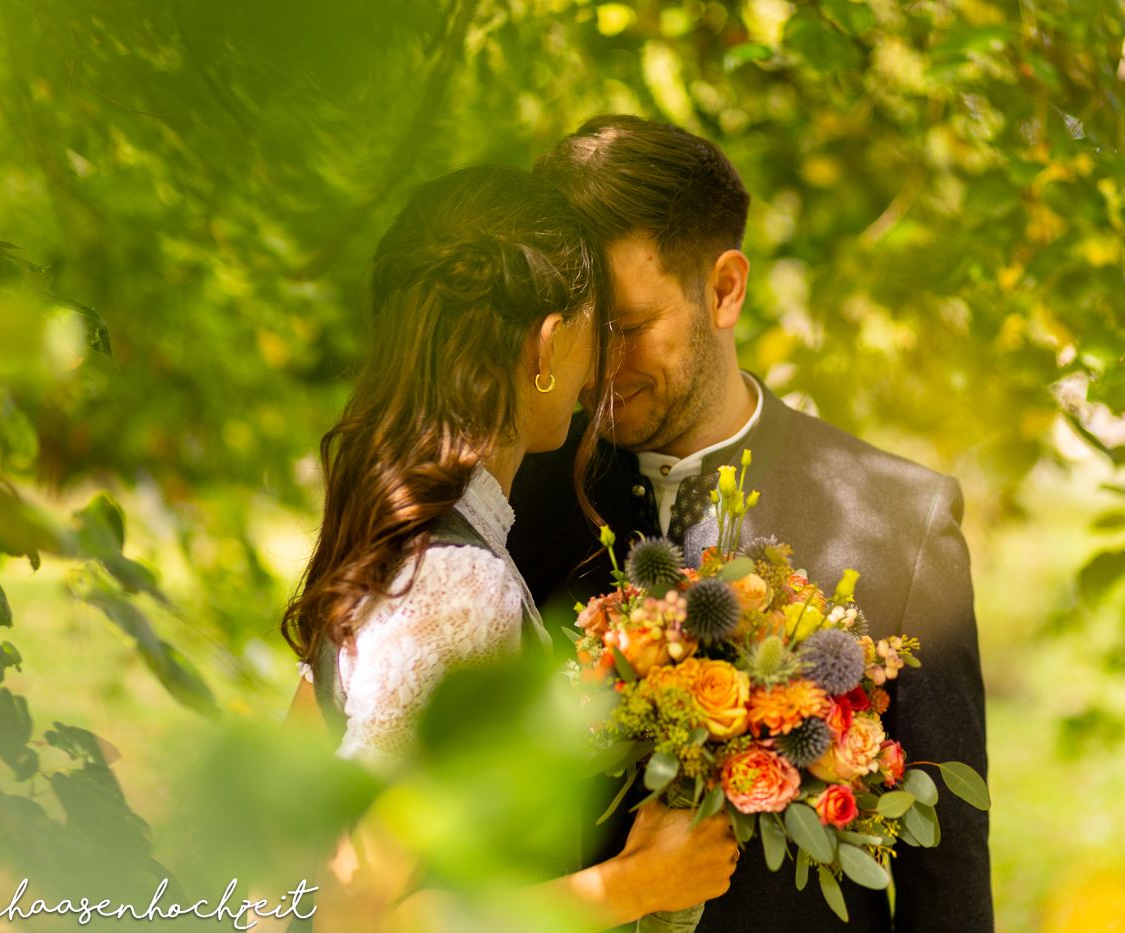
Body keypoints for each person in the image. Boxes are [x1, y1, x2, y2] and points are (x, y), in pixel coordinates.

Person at [508, 117, 993, 932]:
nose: (600, 370)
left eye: (626, 328)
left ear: (725, 288)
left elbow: (948, 886)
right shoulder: (518, 501)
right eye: (582, 331)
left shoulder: (900, 524)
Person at [280, 164, 738, 930]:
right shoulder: (458, 582)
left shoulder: (394, 537)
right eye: (602, 330)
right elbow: (350, 913)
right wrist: (637, 881)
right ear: (548, 341)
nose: (602, 371)